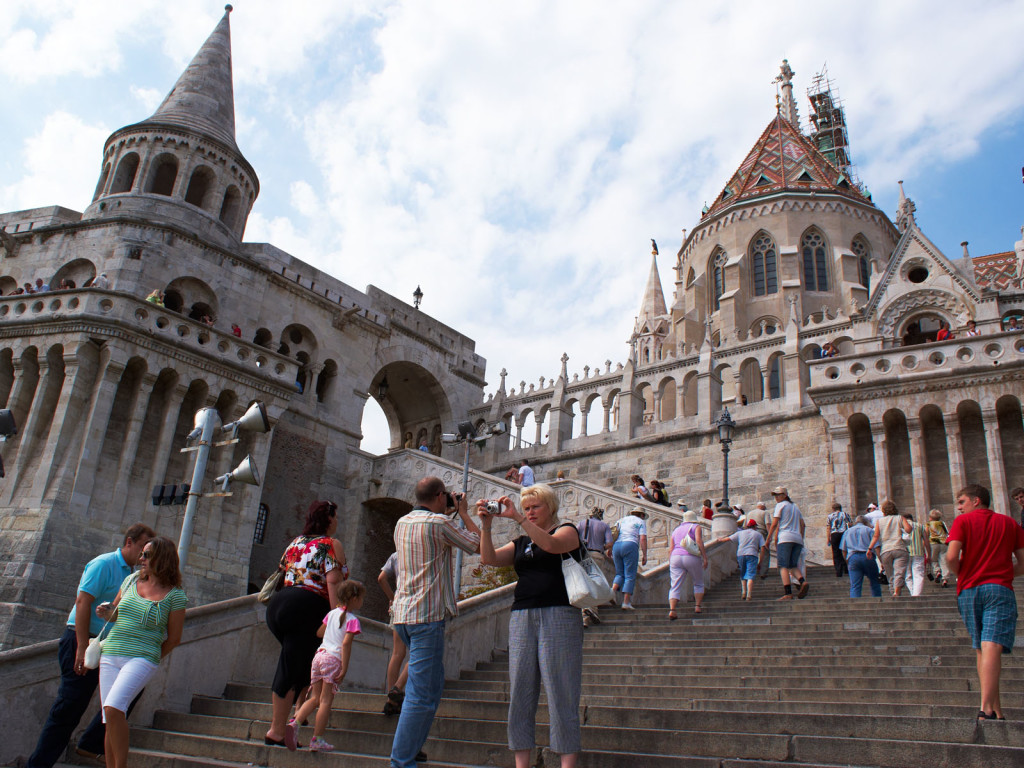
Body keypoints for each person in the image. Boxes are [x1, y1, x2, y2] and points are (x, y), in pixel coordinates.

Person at [26, 524, 154, 768]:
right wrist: (81, 647)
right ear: (129, 542)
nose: (142, 557)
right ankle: (38, 765)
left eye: (147, 553)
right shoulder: (104, 564)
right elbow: (83, 602)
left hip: (108, 645)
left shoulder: (133, 576)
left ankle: (90, 743)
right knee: (69, 708)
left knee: (128, 693)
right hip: (82, 639)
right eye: (141, 549)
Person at [477, 484, 583, 768]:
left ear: (550, 507)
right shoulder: (522, 543)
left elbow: (552, 545)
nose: (529, 512)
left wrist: (518, 519)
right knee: (520, 692)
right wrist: (485, 526)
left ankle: (566, 763)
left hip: (560, 613)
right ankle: (521, 764)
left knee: (562, 691)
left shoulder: (568, 531)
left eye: (535, 507)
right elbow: (489, 558)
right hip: (522, 615)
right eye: (526, 508)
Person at [389, 477, 480, 768]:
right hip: (427, 616)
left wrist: (448, 512)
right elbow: (476, 544)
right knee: (420, 694)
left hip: (403, 616)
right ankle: (401, 761)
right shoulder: (439, 524)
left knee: (432, 685)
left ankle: (411, 746)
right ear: (441, 496)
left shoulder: (401, 522)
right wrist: (464, 512)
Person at [264, 500, 348, 747]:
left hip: (280, 605)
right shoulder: (331, 545)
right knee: (291, 667)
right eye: (336, 517)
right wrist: (338, 620)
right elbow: (333, 584)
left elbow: (283, 571)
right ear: (329, 519)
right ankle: (277, 731)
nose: (337, 522)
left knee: (301, 663)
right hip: (306, 607)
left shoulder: (295, 542)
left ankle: (295, 717)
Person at [98, 536, 187, 768]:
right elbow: (115, 614)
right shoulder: (130, 581)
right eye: (142, 554)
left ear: (162, 558)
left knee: (114, 707)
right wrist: (106, 612)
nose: (141, 559)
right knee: (110, 718)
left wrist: (152, 656)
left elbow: (174, 638)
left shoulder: (176, 596)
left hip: (142, 657)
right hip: (112, 652)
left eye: (147, 555)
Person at [945, 484, 1024, 721]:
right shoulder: (1010, 523)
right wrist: (1004, 573)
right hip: (998, 588)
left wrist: (962, 572)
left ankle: (993, 708)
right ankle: (988, 709)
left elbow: (950, 556)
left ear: (976, 500)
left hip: (969, 589)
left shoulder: (963, 522)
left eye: (961, 502)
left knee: (982, 648)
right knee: (991, 647)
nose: (958, 508)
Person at [286, 580, 367, 752]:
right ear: (353, 599)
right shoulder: (353, 620)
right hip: (333, 659)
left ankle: (295, 723)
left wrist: (332, 631)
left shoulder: (331, 614)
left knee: (314, 698)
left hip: (319, 657)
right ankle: (317, 739)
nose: (362, 602)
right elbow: (345, 644)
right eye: (361, 598)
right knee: (325, 701)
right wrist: (344, 668)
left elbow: (319, 632)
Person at [377, 551, 409, 715]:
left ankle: (390, 698)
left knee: (397, 653)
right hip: (414, 603)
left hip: (398, 605)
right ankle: (397, 689)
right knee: (420, 650)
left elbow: (381, 578)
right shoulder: (419, 550)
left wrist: (392, 597)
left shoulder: (396, 555)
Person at [766, 487, 809, 600]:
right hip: (797, 539)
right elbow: (803, 524)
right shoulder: (795, 507)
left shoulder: (781, 505)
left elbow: (775, 523)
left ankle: (788, 593)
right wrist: (801, 537)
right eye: (775, 495)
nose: (776, 497)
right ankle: (802, 581)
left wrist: (768, 538)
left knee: (783, 566)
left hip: (785, 538)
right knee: (792, 565)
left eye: (778, 495)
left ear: (785, 495)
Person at [576, 508, 613, 626]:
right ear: (600, 516)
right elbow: (609, 543)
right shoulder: (604, 526)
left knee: (585, 583)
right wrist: (602, 547)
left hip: (583, 555)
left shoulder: (581, 523)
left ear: (591, 515)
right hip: (597, 555)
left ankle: (585, 616)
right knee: (595, 583)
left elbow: (574, 537)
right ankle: (591, 610)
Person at [668, 510, 709, 616]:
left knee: (675, 585)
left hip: (675, 556)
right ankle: (697, 606)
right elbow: (699, 541)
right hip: (691, 556)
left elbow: (671, 547)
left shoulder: (675, 530)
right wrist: (704, 557)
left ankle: (672, 610)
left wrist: (670, 560)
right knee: (698, 582)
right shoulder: (695, 527)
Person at [868, 500, 911, 598]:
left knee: (890, 574)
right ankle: (897, 591)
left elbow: (875, 536)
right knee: (899, 572)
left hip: (886, 550)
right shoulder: (900, 518)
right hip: (899, 547)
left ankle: (893, 592)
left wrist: (869, 548)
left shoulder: (880, 521)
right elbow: (909, 529)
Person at [717, 520, 765, 602]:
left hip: (741, 554)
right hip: (752, 554)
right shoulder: (758, 534)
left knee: (743, 573)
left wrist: (720, 540)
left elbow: (728, 538)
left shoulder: (740, 533)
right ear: (754, 527)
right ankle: (749, 595)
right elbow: (763, 548)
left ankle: (743, 592)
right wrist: (761, 561)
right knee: (750, 574)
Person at [611, 507, 647, 610]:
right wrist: (644, 554)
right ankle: (626, 602)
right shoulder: (640, 521)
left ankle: (611, 593)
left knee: (619, 573)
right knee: (630, 575)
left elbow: (613, 534)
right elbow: (643, 538)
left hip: (616, 546)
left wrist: (610, 547)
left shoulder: (621, 520)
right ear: (642, 515)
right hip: (630, 545)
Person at [839, 515, 881, 598]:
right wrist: (881, 561)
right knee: (874, 582)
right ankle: (877, 599)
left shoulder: (847, 531)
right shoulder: (869, 530)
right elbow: (877, 547)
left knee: (855, 585)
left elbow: (843, 550)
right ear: (865, 522)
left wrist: (847, 561)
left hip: (853, 557)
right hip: (868, 556)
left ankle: (855, 602)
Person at [901, 510, 931, 597]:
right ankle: (916, 594)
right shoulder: (920, 526)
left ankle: (913, 592)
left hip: (905, 552)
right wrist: (928, 554)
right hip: (918, 552)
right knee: (918, 574)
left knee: (907, 576)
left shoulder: (901, 526)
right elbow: (926, 541)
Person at [826, 502, 852, 577]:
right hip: (843, 533)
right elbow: (850, 524)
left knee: (836, 552)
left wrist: (828, 538)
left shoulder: (830, 516)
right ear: (840, 508)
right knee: (844, 550)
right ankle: (846, 568)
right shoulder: (845, 514)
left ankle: (838, 571)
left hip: (834, 534)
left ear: (833, 509)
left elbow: (828, 528)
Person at [928, 509, 952, 587]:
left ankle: (937, 571)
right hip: (943, 543)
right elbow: (948, 532)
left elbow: (926, 534)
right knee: (943, 560)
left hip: (933, 543)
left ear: (930, 517)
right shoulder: (943, 523)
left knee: (934, 559)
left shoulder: (928, 524)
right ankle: (945, 578)